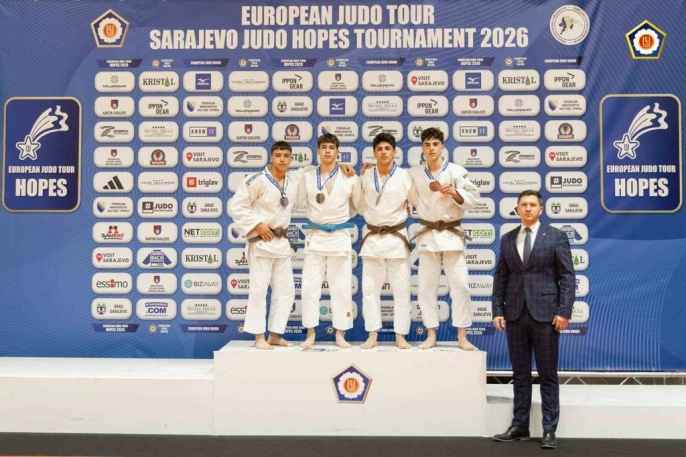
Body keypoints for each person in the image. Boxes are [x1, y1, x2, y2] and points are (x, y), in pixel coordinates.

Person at [227, 141, 355, 350]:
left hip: (281, 243)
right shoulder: (256, 180)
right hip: (261, 242)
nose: (282, 159)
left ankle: (274, 335)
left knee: (286, 292)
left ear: (291, 158)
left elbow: (323, 167)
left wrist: (341, 166)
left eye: (286, 156)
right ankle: (259, 337)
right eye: (278, 155)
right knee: (259, 291)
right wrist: (257, 224)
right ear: (271, 157)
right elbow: (236, 206)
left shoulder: (295, 178)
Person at [491, 189, 575, 449]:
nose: (527, 208)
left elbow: (567, 276)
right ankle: (520, 426)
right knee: (520, 374)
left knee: (548, 374)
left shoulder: (556, 237)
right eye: (523, 205)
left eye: (532, 205)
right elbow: (501, 277)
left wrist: (564, 311)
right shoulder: (507, 238)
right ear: (517, 209)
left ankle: (549, 429)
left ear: (541, 209)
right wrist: (498, 310)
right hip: (515, 314)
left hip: (546, 315)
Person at [407, 127, 480, 350]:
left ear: (442, 147)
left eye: (435, 144)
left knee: (461, 286)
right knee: (426, 288)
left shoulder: (457, 171)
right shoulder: (413, 173)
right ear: (422, 147)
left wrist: (454, 192)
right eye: (427, 144)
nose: (431, 148)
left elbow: (473, 198)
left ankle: (462, 336)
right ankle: (431, 335)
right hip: (428, 234)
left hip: (451, 234)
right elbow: (402, 191)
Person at [297, 133, 362, 349]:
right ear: (318, 150)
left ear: (337, 151)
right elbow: (294, 196)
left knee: (341, 287)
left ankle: (340, 333)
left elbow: (358, 206)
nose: (327, 151)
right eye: (323, 147)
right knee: (309, 288)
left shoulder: (350, 177)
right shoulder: (307, 175)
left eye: (331, 148)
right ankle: (310, 333)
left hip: (339, 236)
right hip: (315, 236)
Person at [357, 133, 413, 350]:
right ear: (374, 152)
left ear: (394, 151)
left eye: (387, 148)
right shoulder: (365, 176)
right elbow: (358, 203)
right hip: (373, 239)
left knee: (402, 292)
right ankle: (372, 335)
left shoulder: (405, 176)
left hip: (396, 239)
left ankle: (401, 336)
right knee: (369, 292)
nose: (383, 152)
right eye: (379, 149)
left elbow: (415, 200)